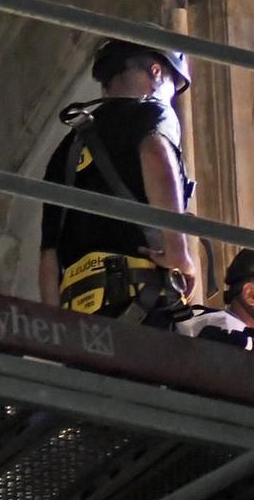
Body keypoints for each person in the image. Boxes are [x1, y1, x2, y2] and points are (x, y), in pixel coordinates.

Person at [39, 39, 199, 325]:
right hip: (139, 300)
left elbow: (49, 255)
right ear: (157, 72)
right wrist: (179, 253)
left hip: (79, 315)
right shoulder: (152, 112)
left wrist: (57, 330)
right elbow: (155, 151)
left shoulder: (65, 149)